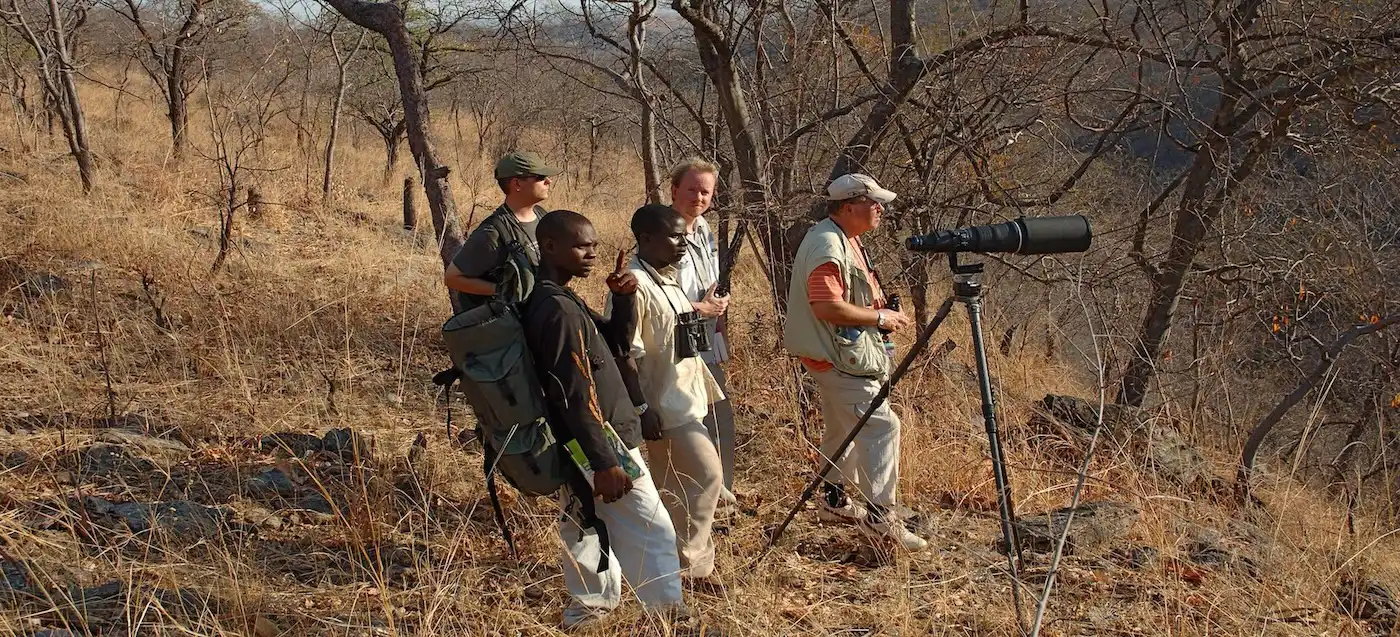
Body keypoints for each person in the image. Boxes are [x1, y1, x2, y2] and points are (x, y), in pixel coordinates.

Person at [520, 210, 688, 628]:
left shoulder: (559, 298)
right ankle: (669, 618)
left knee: (583, 520)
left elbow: (615, 344)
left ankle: (588, 611)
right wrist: (605, 461)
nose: (592, 254)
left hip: (585, 439)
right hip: (601, 440)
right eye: (582, 246)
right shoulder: (556, 309)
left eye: (594, 246)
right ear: (550, 247)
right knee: (651, 526)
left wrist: (625, 298)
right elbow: (574, 393)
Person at [782, 173, 928, 551]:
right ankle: (880, 519)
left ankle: (833, 500)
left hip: (836, 354)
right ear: (848, 207)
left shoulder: (842, 237)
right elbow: (826, 306)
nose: (880, 209)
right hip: (838, 358)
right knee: (882, 426)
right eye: (872, 202)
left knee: (841, 429)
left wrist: (879, 313)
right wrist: (879, 317)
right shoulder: (829, 244)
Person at [614, 203, 726, 592]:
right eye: (674, 236)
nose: (682, 243)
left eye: (684, 236)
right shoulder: (633, 285)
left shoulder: (668, 277)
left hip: (684, 394)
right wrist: (642, 407)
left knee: (674, 486)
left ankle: (670, 568)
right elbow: (625, 352)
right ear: (646, 239)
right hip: (663, 403)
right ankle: (691, 567)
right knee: (708, 475)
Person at [667, 158, 738, 505]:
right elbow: (658, 300)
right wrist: (701, 309)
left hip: (706, 339)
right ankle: (697, 495)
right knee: (689, 420)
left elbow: (710, 283)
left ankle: (722, 493)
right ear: (674, 190)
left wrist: (719, 322)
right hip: (674, 344)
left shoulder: (705, 229)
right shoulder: (662, 232)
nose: (698, 197)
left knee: (718, 417)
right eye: (691, 189)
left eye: (705, 191)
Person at [443, 151, 561, 309]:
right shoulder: (492, 232)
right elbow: (452, 278)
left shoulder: (541, 215)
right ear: (517, 184)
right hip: (514, 319)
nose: (548, 181)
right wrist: (501, 291)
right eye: (540, 177)